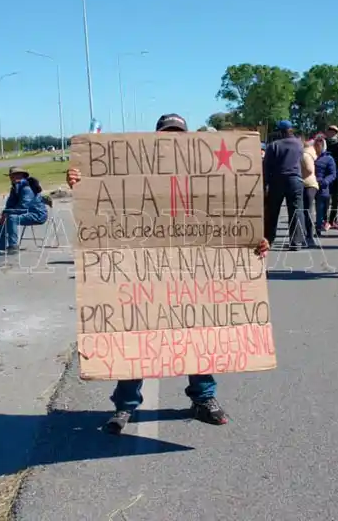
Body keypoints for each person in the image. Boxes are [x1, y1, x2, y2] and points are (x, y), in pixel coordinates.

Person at [64, 115, 270, 434]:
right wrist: (81, 180)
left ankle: (204, 398)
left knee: (199, 330)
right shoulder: (135, 174)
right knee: (136, 333)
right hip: (143, 268)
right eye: (166, 135)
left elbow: (233, 216)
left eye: (178, 135)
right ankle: (125, 406)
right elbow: (102, 200)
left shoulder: (210, 175)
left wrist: (251, 244)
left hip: (196, 269)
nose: (172, 141)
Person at [263, 120, 306, 251]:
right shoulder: (299, 144)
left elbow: (266, 166)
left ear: (280, 131)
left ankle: (269, 239)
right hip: (295, 180)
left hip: (277, 180)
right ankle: (296, 242)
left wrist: (265, 184)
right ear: (291, 130)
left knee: (273, 211)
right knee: (296, 211)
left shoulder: (273, 145)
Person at [0, 166, 48, 255]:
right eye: (11, 176)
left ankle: (13, 246)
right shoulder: (15, 188)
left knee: (12, 218)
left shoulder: (26, 188)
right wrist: (4, 213)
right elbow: (9, 205)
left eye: (15, 175)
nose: (12, 178)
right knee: (3, 217)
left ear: (21, 176)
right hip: (26, 212)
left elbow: (23, 207)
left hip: (37, 214)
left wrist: (7, 213)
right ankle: (1, 246)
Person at [313, 134, 337, 234]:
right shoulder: (310, 156)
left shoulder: (329, 158)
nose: (317, 145)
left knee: (321, 208)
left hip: (323, 187)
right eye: (316, 143)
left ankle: (319, 226)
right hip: (310, 186)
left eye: (320, 143)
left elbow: (333, 174)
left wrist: (325, 181)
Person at [300, 138, 318, 246]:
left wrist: (301, 177)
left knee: (306, 211)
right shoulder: (311, 153)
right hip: (310, 184)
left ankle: (309, 236)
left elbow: (310, 169)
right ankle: (308, 235)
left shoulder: (305, 155)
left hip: (307, 184)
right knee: (307, 210)